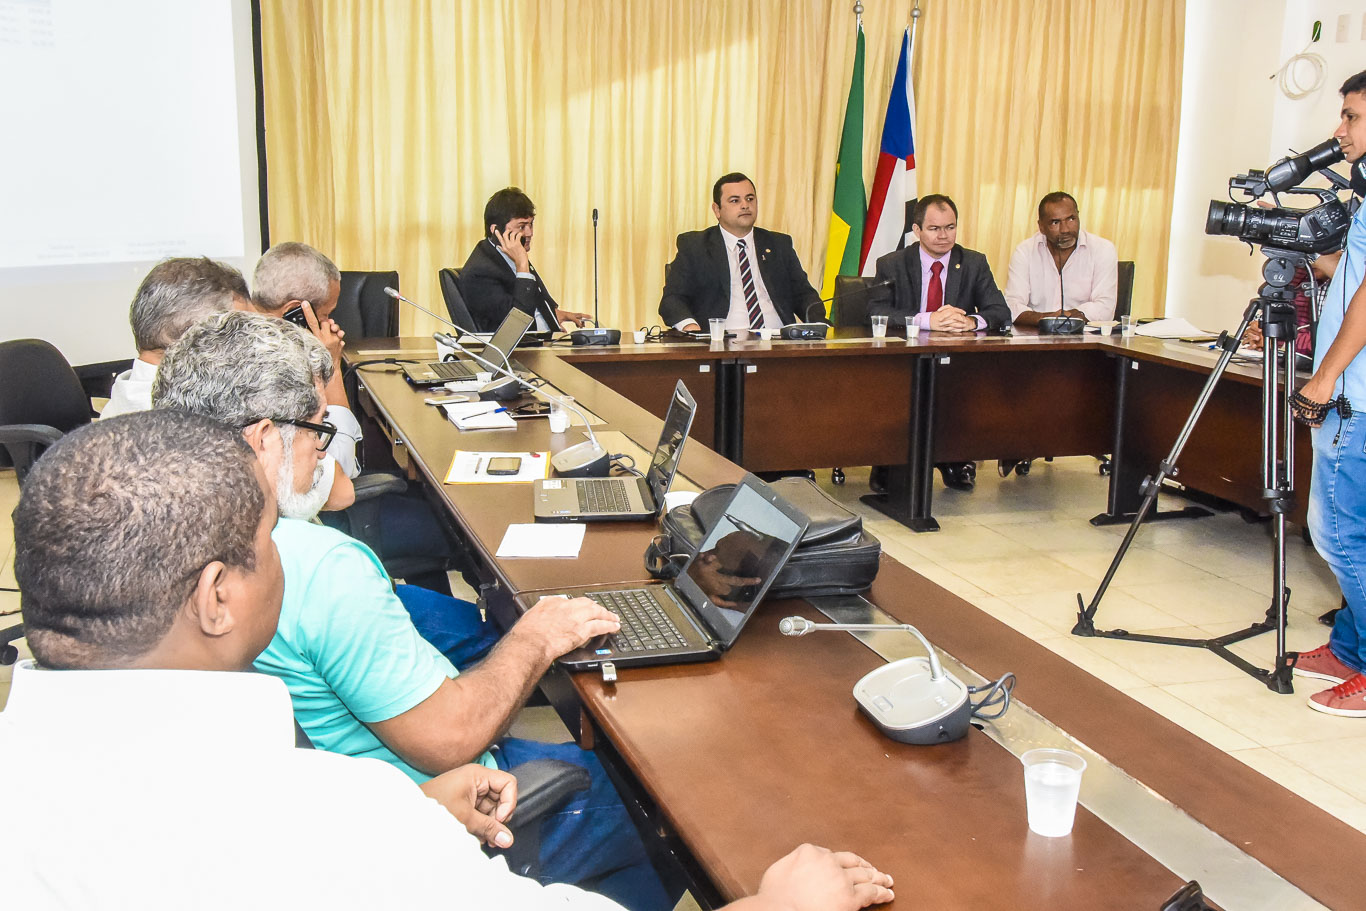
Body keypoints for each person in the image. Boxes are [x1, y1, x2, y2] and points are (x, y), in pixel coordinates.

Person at [4, 410, 896, 910]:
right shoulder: (323, 827)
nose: (286, 552)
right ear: (216, 596)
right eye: (270, 538)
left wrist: (411, 806)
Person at [152, 312, 671, 908]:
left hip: (329, 816)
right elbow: (450, 740)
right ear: (262, 439)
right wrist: (536, 637)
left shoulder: (164, 542)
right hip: (439, 807)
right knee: (660, 803)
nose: (325, 455)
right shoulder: (312, 565)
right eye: (318, 431)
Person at [1287, 69, 1366, 717]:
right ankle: (1348, 648)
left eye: (1352, 117)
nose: (1339, 129)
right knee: (1343, 528)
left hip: (1357, 391)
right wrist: (1318, 257)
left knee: (1338, 533)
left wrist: (1326, 374)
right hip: (1354, 384)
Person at [868, 194, 1011, 491]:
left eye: (950, 227)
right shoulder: (892, 264)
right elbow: (876, 311)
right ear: (917, 230)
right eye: (934, 229)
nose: (944, 236)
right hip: (903, 359)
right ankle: (889, 463)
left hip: (956, 361)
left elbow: (1000, 311)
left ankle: (955, 459)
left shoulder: (973, 262)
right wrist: (926, 320)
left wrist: (972, 322)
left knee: (964, 388)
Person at [659, 172, 822, 332]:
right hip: (722, 343)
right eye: (735, 200)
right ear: (717, 210)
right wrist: (690, 327)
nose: (745, 205)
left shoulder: (778, 244)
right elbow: (672, 299)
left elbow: (804, 295)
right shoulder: (695, 246)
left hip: (777, 341)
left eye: (750, 199)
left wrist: (820, 326)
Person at [459, 187, 591, 332]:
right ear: (495, 230)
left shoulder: (507, 255)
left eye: (531, 224)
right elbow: (516, 325)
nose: (530, 233)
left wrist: (555, 316)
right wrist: (522, 265)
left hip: (547, 343)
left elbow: (535, 302)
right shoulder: (480, 272)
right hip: (521, 352)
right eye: (521, 226)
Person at [1004, 192, 1118, 329]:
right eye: (1055, 222)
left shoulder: (1102, 249)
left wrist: (1068, 318)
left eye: (1071, 219)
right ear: (1041, 227)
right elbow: (1011, 305)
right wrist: (1047, 319)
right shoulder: (1025, 251)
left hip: (1086, 341)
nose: (1065, 230)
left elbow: (1105, 308)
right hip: (1035, 337)